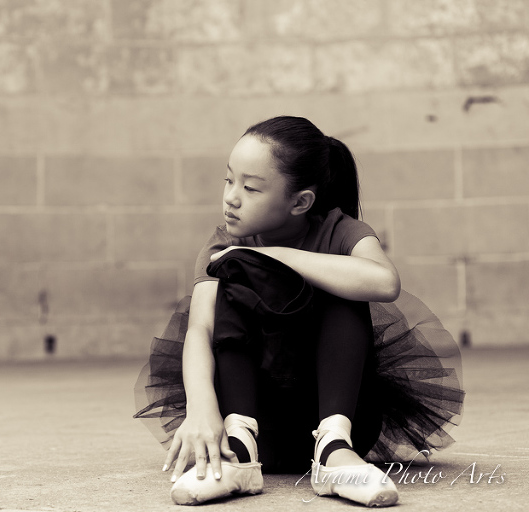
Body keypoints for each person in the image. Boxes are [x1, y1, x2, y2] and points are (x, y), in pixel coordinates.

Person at [133, 116, 465, 507]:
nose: (231, 197)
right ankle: (238, 457)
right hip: (253, 426)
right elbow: (201, 329)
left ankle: (334, 455)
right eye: (229, 180)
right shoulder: (224, 244)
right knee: (235, 271)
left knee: (344, 282)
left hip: (337, 420)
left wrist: (271, 255)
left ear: (300, 202)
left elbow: (384, 282)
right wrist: (201, 409)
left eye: (250, 187)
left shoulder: (340, 231)